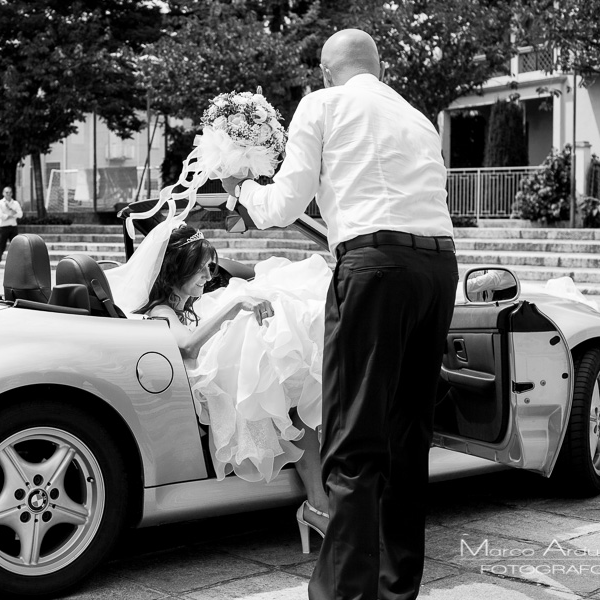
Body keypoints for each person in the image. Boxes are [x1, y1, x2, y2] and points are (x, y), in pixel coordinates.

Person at [222, 29, 458, 600]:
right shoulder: (418, 117)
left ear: (328, 70)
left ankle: (344, 594)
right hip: (440, 267)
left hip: (373, 268)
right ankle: (398, 587)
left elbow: (284, 203)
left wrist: (243, 189)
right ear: (375, 66)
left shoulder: (322, 104)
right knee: (408, 436)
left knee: (354, 437)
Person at [131, 223, 331, 551]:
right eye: (199, 268)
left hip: (217, 377)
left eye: (209, 266)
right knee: (290, 389)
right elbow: (189, 347)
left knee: (292, 377)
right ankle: (318, 505)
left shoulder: (185, 307)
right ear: (175, 271)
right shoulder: (162, 311)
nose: (207, 275)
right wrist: (237, 304)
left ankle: (319, 503)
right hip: (209, 389)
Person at [0, 186, 23, 272]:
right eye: (6, 192)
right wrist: (12, 214)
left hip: (13, 227)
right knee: (1, 247)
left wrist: (9, 214)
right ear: (3, 193)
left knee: (15, 247)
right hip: (3, 228)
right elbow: (0, 216)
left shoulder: (15, 203)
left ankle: (16, 266)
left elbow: (20, 214)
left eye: (10, 192)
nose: (8, 194)